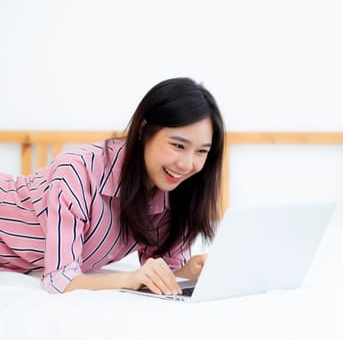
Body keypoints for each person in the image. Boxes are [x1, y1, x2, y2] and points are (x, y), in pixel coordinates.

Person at [0, 77, 224, 295]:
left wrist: (192, 270)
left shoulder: (172, 193)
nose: (187, 164)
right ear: (143, 131)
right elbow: (59, 281)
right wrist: (130, 278)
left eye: (202, 151)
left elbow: (164, 269)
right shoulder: (78, 172)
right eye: (178, 145)